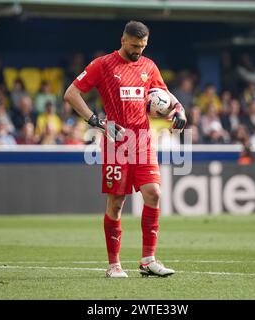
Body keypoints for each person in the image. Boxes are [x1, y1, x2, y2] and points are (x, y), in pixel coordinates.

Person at [64, 20, 186, 278]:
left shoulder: (149, 66)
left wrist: (180, 110)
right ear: (123, 40)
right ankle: (113, 265)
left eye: (142, 46)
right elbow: (71, 93)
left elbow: (165, 95)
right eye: (134, 46)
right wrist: (96, 121)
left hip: (142, 141)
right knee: (117, 203)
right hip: (116, 142)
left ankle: (148, 260)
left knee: (153, 193)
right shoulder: (103, 65)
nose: (138, 51)